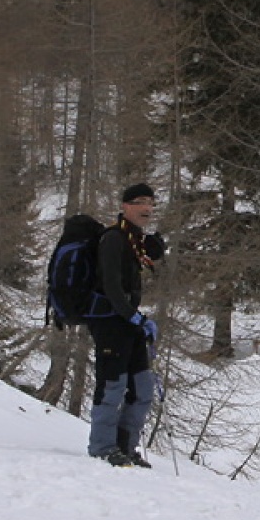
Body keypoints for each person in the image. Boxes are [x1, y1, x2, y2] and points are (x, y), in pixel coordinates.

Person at [87, 183, 166, 468]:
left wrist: (137, 319)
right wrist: (133, 317)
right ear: (125, 206)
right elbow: (111, 285)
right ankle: (103, 447)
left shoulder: (134, 240)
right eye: (140, 202)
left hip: (128, 322)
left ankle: (125, 446)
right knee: (112, 385)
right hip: (109, 321)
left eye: (151, 203)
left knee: (142, 387)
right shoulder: (113, 239)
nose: (147, 208)